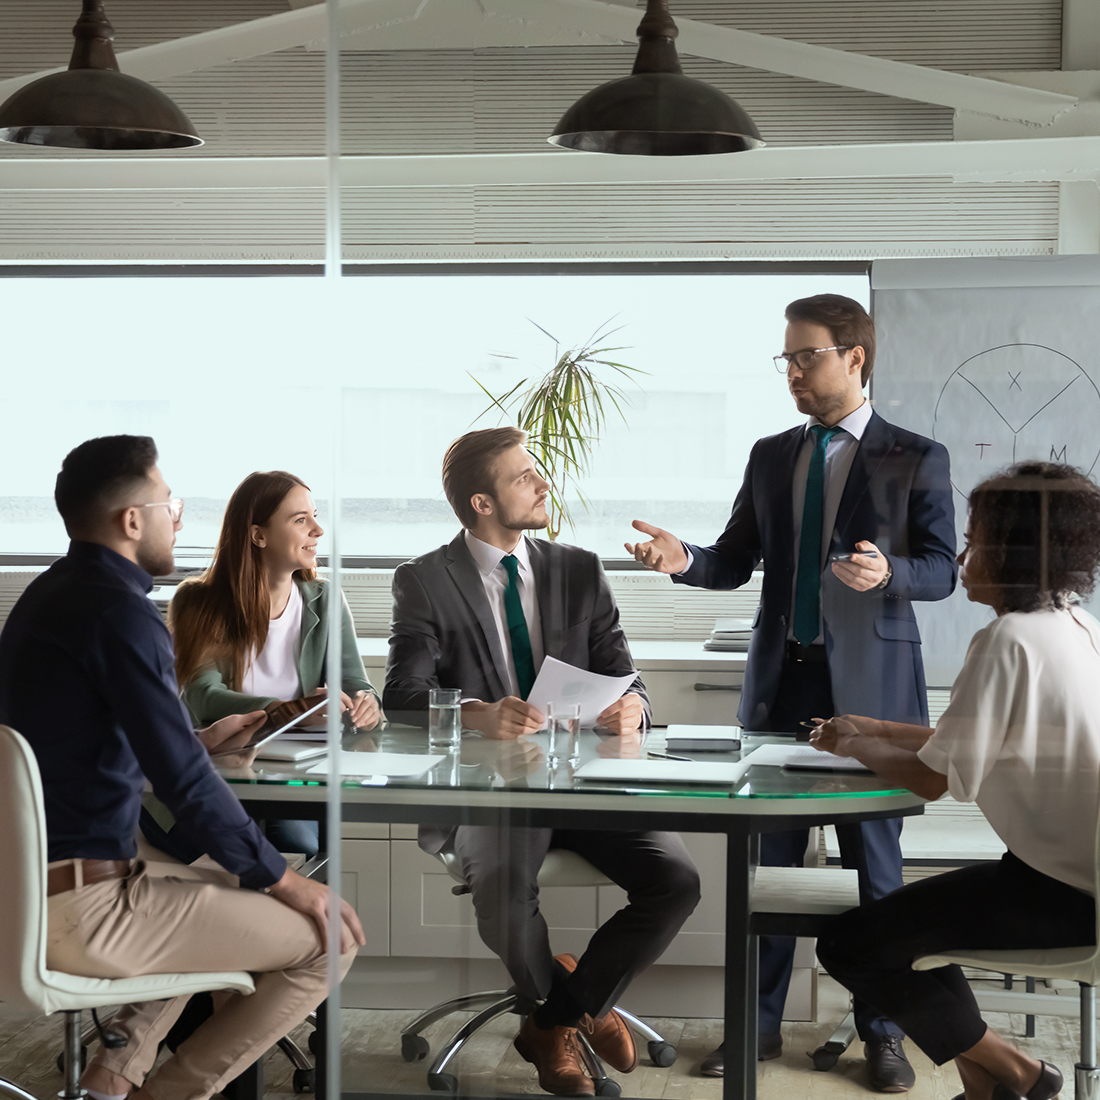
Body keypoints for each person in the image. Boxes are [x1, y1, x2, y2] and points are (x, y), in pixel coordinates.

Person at [625, 293, 958, 1090]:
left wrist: (892, 572)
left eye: (807, 356)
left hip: (873, 692)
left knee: (876, 871)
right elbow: (736, 559)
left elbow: (945, 568)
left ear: (856, 357)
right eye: (787, 358)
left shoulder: (916, 453)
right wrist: (685, 562)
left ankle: (883, 1030)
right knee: (762, 867)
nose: (793, 373)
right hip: (781, 685)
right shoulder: (773, 454)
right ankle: (758, 1027)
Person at [0, 435, 365, 1100]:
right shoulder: (121, 616)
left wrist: (198, 737)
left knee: (225, 869)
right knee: (328, 936)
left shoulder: (44, 601)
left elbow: (90, 752)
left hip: (24, 892)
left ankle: (114, 1075)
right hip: (88, 907)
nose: (179, 517)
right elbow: (185, 788)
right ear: (132, 520)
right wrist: (289, 882)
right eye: (170, 503)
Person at [385, 426, 701, 1097]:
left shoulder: (578, 570)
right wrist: (477, 713)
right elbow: (403, 697)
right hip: (489, 791)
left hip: (584, 786)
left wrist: (633, 710)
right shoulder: (423, 581)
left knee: (676, 880)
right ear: (482, 503)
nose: (544, 482)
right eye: (524, 476)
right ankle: (564, 1010)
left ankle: (556, 1014)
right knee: (502, 884)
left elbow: (625, 674)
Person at [810, 461, 1100, 1100]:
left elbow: (933, 780)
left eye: (976, 539)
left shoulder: (1007, 640)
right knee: (909, 932)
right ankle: (983, 1079)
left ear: (1016, 551)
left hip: (1066, 897)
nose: (964, 555)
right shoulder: (1072, 626)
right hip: (1065, 878)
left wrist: (857, 744)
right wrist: (873, 728)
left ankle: (1017, 1069)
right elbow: (966, 746)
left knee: (852, 944)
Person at [169, 469, 382, 856]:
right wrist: (291, 711)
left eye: (315, 516)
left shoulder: (324, 598)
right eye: (301, 520)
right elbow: (202, 695)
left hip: (300, 768)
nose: (318, 530)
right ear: (258, 535)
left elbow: (355, 683)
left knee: (294, 845)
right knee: (246, 848)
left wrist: (366, 703)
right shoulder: (198, 601)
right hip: (225, 768)